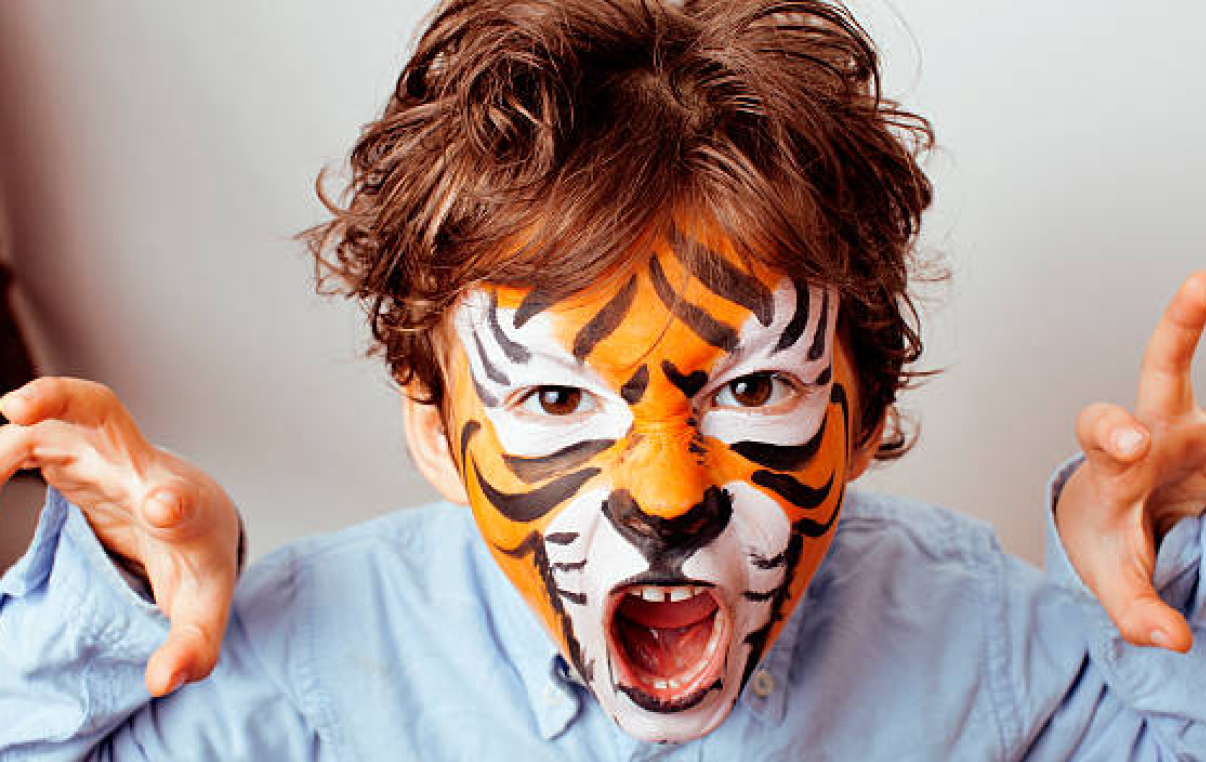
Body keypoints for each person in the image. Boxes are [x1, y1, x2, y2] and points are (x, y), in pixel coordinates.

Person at [1, 0, 1204, 758]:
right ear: (433, 429)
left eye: (752, 390)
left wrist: (1169, 588)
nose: (666, 495)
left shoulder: (986, 643)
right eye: (556, 399)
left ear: (868, 412)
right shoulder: (311, 663)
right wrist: (122, 596)